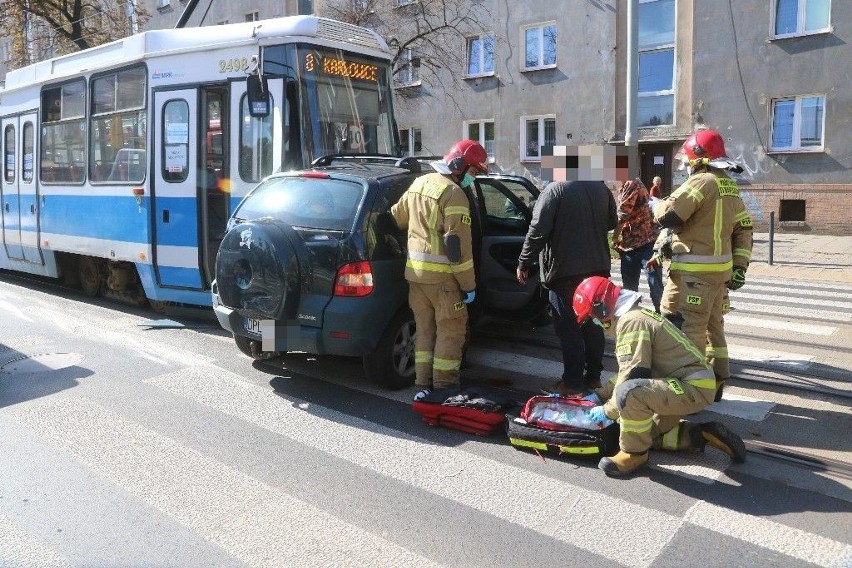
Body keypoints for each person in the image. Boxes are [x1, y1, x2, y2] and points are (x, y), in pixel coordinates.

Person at [574, 276, 747, 477]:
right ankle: (701, 435)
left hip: (689, 387)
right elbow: (626, 371)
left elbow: (632, 375)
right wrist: (600, 394)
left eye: (592, 317)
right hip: (685, 384)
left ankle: (634, 455)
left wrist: (608, 410)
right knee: (643, 433)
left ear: (601, 307)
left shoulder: (630, 322)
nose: (595, 323)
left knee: (630, 395)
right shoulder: (635, 316)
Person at [651, 129, 753, 401]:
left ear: (698, 157)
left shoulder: (702, 182)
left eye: (686, 158)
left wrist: (655, 204)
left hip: (692, 276)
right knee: (713, 327)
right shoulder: (728, 185)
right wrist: (740, 265)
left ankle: (693, 391)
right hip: (719, 275)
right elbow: (743, 227)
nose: (685, 164)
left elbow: (671, 215)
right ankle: (717, 381)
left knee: (684, 329)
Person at [391, 139, 487, 399]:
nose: (474, 177)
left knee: (424, 330)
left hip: (415, 276)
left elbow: (397, 217)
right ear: (459, 166)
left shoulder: (419, 183)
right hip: (443, 280)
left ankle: (422, 384)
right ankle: (445, 387)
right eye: (474, 171)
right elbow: (458, 248)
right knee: (451, 331)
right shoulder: (454, 194)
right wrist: (469, 285)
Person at [516, 168, 617, 395]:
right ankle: (593, 378)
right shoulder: (601, 189)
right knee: (593, 325)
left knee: (568, 329)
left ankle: (571, 383)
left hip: (565, 272)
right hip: (598, 271)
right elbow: (612, 222)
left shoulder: (555, 190)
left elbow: (537, 231)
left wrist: (524, 262)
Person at [612, 178, 663, 312]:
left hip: (645, 243)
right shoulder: (623, 185)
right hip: (629, 246)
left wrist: (614, 237)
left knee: (655, 287)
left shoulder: (631, 183)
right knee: (630, 291)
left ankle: (664, 319)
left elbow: (622, 214)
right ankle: (634, 321)